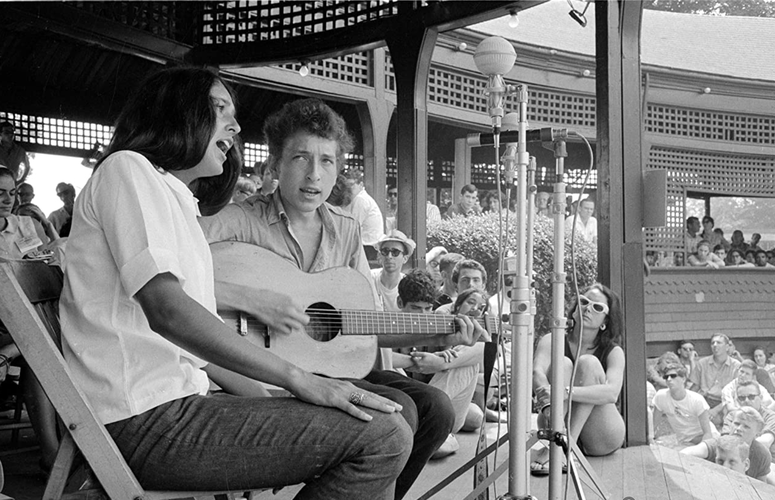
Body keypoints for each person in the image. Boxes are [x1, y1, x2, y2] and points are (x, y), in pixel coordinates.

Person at [59, 68, 414, 497]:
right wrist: (298, 378)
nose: (235, 125)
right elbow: (169, 311)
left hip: (175, 409)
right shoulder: (128, 170)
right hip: (143, 420)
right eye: (219, 108)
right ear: (177, 112)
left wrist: (283, 404)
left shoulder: (174, 198)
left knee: (386, 419)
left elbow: (200, 352)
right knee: (383, 437)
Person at [199, 97, 487, 499]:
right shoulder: (239, 219)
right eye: (300, 158)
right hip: (266, 372)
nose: (314, 174)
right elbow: (168, 268)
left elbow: (356, 327)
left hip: (334, 364)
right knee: (397, 413)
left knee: (436, 408)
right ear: (275, 164)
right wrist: (247, 297)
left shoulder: (347, 230)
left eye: (327, 161)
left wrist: (441, 336)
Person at [531, 284, 626, 475]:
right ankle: (562, 446)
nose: (588, 308)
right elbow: (537, 374)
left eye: (597, 307)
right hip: (555, 417)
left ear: (605, 321)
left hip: (601, 433)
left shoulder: (613, 351)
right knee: (563, 363)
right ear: (575, 308)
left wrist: (564, 392)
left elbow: (611, 393)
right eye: (583, 301)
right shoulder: (552, 339)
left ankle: (564, 447)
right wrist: (549, 400)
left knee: (588, 363)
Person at [398, 285, 490, 459]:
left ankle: (432, 430)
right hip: (408, 402)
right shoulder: (438, 318)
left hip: (438, 405)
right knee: (475, 417)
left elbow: (484, 354)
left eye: (427, 309)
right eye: (471, 303)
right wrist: (417, 361)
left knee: (476, 416)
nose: (476, 309)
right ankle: (435, 434)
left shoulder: (474, 335)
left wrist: (441, 363)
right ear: (456, 306)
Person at [682, 407, 774, 484]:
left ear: (757, 434)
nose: (738, 429)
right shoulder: (717, 444)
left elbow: (761, 486)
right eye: (736, 423)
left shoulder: (762, 455)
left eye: (746, 426)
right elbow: (687, 453)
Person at [651, 361, 716, 447]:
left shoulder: (697, 400)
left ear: (683, 379)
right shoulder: (660, 396)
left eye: (673, 376)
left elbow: (708, 434)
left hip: (705, 439)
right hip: (684, 442)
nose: (669, 379)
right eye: (666, 377)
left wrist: (702, 448)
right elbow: (653, 426)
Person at [687, 333, 741, 428]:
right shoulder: (702, 363)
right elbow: (695, 387)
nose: (715, 345)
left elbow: (735, 395)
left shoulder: (736, 366)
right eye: (713, 343)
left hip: (725, 403)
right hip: (704, 400)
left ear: (727, 347)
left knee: (717, 420)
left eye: (719, 342)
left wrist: (714, 411)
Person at [721, 381, 775, 457]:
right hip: (735, 456)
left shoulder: (771, 416)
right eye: (742, 398)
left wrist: (737, 441)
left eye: (751, 397)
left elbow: (765, 442)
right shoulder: (732, 416)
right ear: (737, 401)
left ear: (760, 398)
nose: (746, 401)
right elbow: (725, 441)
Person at [344, 168, 385, 261]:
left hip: (368, 248)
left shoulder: (360, 200)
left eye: (351, 185)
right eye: (346, 186)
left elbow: (351, 228)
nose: (348, 189)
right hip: (370, 248)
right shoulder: (360, 199)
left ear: (361, 185)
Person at [371, 230, 416, 311]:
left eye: (395, 252)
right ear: (380, 255)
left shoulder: (409, 285)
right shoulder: (369, 278)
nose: (389, 256)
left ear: (405, 258)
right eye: (385, 251)